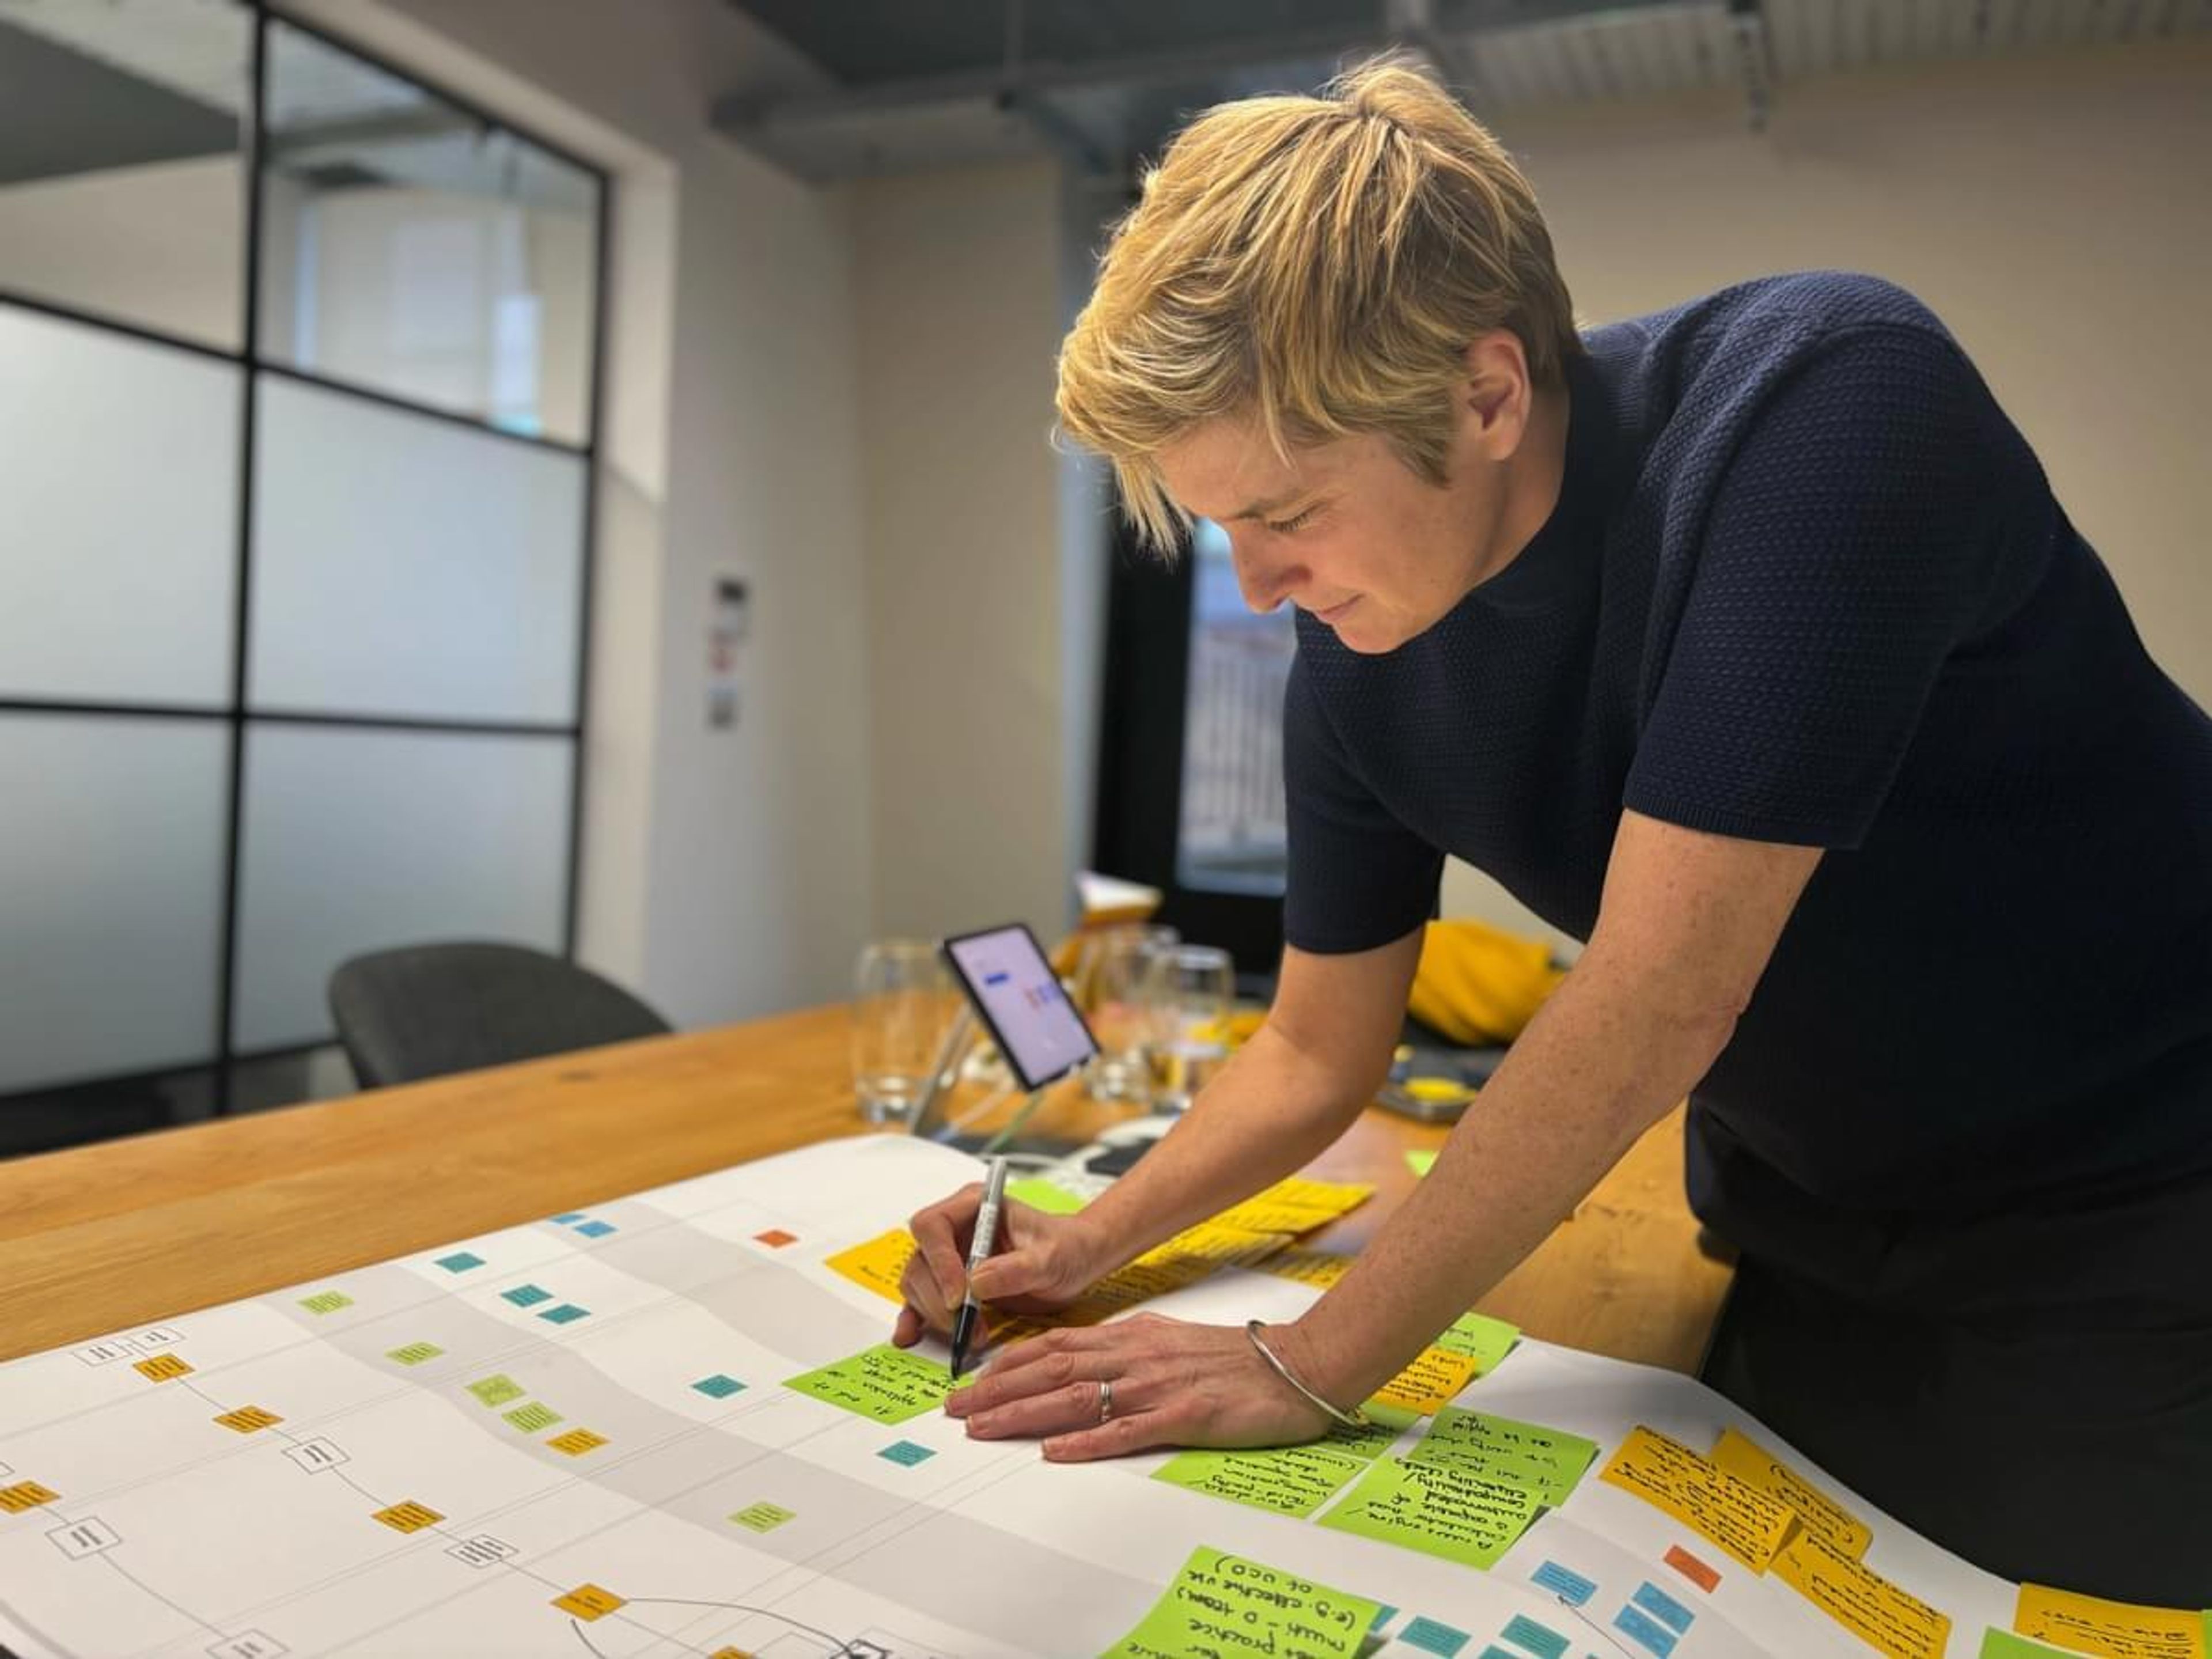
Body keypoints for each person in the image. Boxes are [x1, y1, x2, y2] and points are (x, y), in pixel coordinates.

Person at [892, 55, 2212, 1601]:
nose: (1253, 587)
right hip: (1806, 1223)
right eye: (1219, 528)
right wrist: (1088, 1241)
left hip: (2140, 1209)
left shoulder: (1829, 410)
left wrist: (1312, 1362)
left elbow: (1657, 998)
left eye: (1288, 515)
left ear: (1489, 391)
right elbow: (1320, 1048)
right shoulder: (1354, 650)